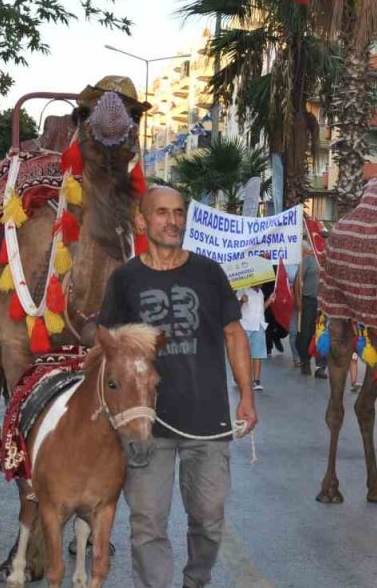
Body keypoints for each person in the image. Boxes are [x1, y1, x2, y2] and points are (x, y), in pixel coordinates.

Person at [99, 186, 257, 588]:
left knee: (208, 517)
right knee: (147, 523)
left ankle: (195, 579)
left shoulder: (208, 273)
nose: (173, 221)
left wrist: (247, 397)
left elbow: (234, 333)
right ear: (142, 221)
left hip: (207, 421)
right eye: (162, 213)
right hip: (145, 427)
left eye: (179, 212)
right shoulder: (124, 280)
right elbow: (108, 348)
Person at [237, 282, 270, 391]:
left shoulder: (260, 292)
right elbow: (235, 308)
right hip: (245, 325)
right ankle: (242, 377)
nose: (261, 284)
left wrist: (269, 301)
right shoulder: (242, 289)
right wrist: (242, 300)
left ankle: (256, 380)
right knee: (244, 354)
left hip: (259, 325)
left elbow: (261, 309)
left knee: (258, 354)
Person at [295, 240, 321, 376]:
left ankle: (320, 367)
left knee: (322, 334)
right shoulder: (307, 260)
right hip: (309, 301)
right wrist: (298, 300)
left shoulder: (324, 258)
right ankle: (305, 361)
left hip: (323, 303)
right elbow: (297, 281)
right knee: (306, 333)